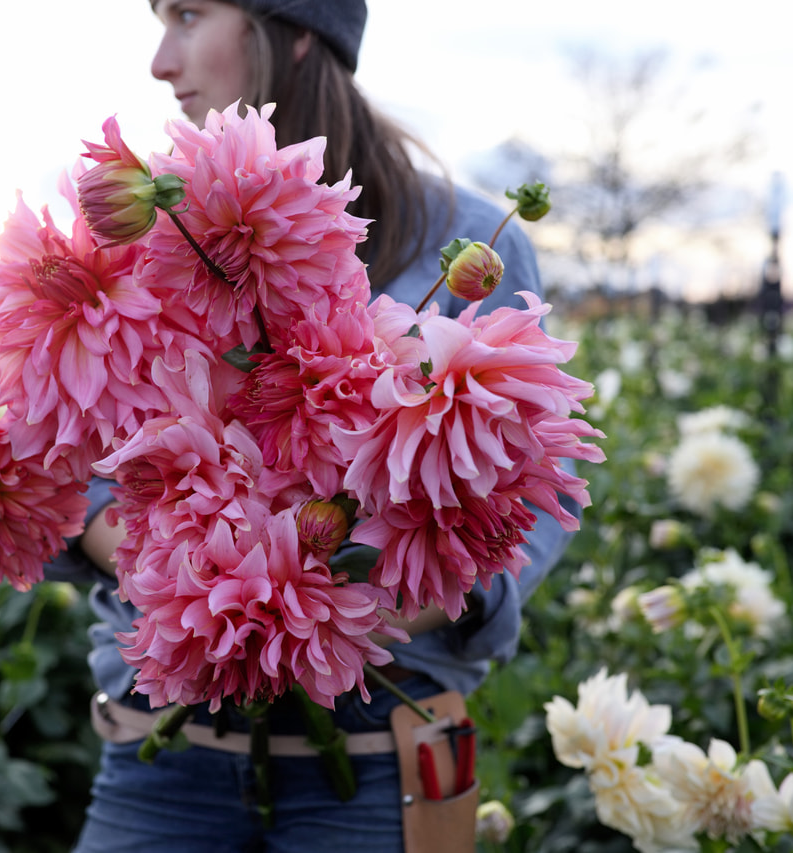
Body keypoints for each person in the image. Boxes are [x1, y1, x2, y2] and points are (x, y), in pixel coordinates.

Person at [47, 2, 582, 850]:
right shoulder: (146, 239)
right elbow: (74, 458)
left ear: (296, 30)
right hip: (164, 763)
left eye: (188, 14)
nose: (159, 60)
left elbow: (535, 488)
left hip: (378, 762)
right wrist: (201, 600)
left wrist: (350, 614)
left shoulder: (472, 238)